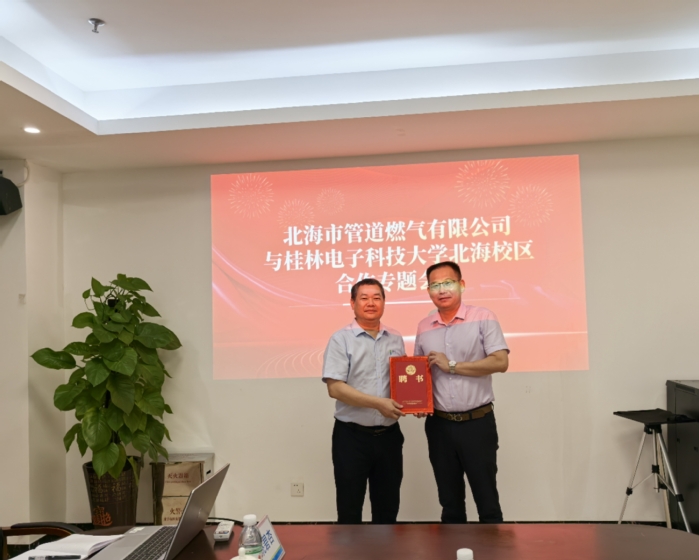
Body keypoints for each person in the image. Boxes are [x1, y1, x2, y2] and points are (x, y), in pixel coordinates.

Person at [414, 261, 509, 524]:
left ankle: (492, 547)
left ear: (462, 284)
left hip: (476, 423)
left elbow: (500, 362)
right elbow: (420, 372)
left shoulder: (483, 317)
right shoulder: (424, 326)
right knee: (450, 502)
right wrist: (417, 401)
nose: (442, 290)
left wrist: (452, 366)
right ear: (428, 290)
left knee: (487, 501)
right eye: (435, 285)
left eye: (448, 283)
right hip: (439, 426)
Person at [322, 278, 406, 524]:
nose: (371, 303)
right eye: (364, 298)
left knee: (387, 509)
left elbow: (403, 381)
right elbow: (335, 388)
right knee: (349, 510)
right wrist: (378, 403)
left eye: (377, 297)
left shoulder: (395, 338)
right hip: (352, 438)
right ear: (352, 303)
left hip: (389, 438)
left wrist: (417, 403)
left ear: (384, 302)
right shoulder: (341, 339)